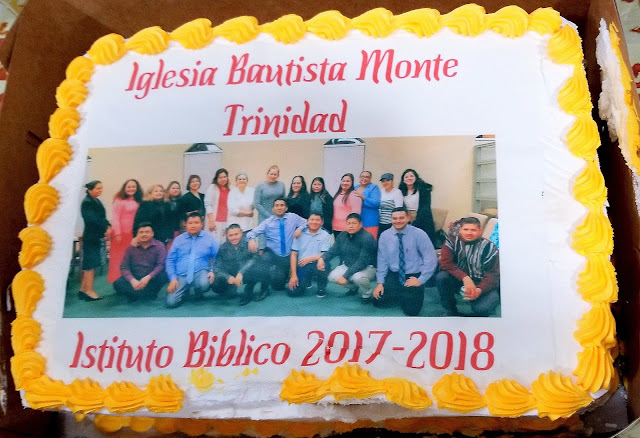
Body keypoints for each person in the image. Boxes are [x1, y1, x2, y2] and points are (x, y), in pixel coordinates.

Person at [373, 207, 438, 316]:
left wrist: (420, 280)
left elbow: (430, 258)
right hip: (394, 273)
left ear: (408, 218)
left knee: (411, 311)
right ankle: (402, 293)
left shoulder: (419, 234)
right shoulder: (385, 236)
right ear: (391, 219)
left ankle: (406, 294)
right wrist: (380, 283)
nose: (398, 221)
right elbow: (382, 260)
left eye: (401, 218)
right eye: (394, 218)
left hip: (413, 274)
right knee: (378, 301)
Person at [436, 217, 500, 317]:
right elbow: (445, 263)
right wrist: (465, 278)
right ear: (460, 230)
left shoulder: (490, 247)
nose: (469, 233)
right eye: (465, 229)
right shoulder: (452, 242)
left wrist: (479, 290)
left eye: (473, 230)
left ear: (480, 231)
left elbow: (493, 274)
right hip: (459, 280)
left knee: (482, 308)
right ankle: (450, 311)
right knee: (442, 277)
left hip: (482, 282)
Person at [246, 198, 307, 301]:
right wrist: (251, 239)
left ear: (286, 208)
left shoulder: (293, 217)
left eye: (282, 205)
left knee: (297, 285)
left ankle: (292, 275)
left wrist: (300, 228)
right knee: (277, 285)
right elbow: (252, 233)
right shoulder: (267, 222)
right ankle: (264, 289)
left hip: (290, 255)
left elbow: (307, 222)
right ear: (273, 209)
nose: (279, 208)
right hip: (274, 255)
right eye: (277, 205)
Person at [165, 212, 219, 308]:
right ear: (186, 224)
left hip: (200, 272)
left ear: (201, 224)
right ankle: (184, 291)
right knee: (171, 303)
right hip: (181, 275)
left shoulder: (210, 239)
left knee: (204, 284)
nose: (193, 225)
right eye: (190, 223)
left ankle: (199, 291)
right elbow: (170, 260)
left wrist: (212, 271)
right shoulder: (178, 240)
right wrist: (173, 278)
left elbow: (218, 257)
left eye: (196, 223)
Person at [318, 213, 376, 300]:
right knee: (332, 277)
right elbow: (333, 250)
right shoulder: (342, 235)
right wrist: (322, 258)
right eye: (348, 223)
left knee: (358, 277)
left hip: (367, 267)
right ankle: (354, 288)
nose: (351, 226)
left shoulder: (367, 238)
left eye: (354, 223)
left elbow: (362, 262)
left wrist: (345, 276)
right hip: (348, 265)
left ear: (360, 224)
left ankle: (366, 294)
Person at [113, 222, 168, 301]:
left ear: (152, 233)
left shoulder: (159, 246)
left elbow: (161, 265)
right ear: (137, 234)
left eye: (147, 232)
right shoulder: (130, 247)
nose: (144, 234)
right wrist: (132, 280)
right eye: (141, 232)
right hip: (135, 277)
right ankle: (142, 292)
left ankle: (137, 293)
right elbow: (124, 267)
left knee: (163, 277)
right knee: (117, 284)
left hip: (152, 278)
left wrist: (148, 277)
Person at [212, 224, 261, 306]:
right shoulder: (222, 248)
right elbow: (217, 267)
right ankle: (232, 288)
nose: (234, 237)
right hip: (231, 275)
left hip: (247, 273)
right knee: (216, 286)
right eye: (231, 235)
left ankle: (249, 288)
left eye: (236, 234)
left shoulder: (249, 244)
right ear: (227, 236)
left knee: (261, 267)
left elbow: (256, 259)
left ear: (241, 233)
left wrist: (241, 272)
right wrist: (228, 277)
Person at [79, 180, 111, 301]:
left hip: (96, 236)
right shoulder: (87, 202)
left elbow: (102, 217)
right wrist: (105, 229)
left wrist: (108, 226)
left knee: (91, 264)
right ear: (90, 190)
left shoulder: (96, 200)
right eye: (98, 188)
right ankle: (89, 291)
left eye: (101, 188)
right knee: (90, 265)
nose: (100, 190)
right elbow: (92, 220)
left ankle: (83, 290)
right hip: (91, 237)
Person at [107, 179, 142, 283]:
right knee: (119, 258)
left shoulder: (138, 200)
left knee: (132, 257)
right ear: (124, 188)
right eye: (129, 187)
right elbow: (115, 218)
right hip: (121, 234)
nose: (131, 189)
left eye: (134, 187)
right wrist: (118, 233)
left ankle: (130, 279)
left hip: (133, 233)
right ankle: (117, 280)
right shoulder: (119, 200)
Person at [288, 213, 331, 297]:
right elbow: (293, 254)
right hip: (302, 265)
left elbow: (325, 253)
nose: (314, 222)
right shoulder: (299, 233)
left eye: (317, 220)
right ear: (307, 221)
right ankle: (307, 280)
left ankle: (321, 287)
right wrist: (293, 275)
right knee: (293, 292)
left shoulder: (325, 235)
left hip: (317, 263)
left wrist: (309, 259)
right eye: (312, 219)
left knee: (325, 265)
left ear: (322, 222)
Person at [399, 169, 436, 244]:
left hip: (422, 216)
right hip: (407, 217)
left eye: (411, 176)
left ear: (416, 177)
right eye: (406, 177)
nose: (409, 178)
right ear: (403, 180)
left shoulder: (424, 189)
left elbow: (425, 207)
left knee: (421, 241)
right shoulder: (400, 191)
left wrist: (416, 221)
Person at [254, 165, 285, 249]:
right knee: (264, 242)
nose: (273, 176)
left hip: (279, 217)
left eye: (275, 174)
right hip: (264, 217)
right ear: (267, 174)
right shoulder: (260, 186)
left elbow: (284, 201)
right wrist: (269, 216)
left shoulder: (281, 185)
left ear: (278, 175)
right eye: (271, 174)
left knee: (277, 241)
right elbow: (256, 203)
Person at [205, 168, 230, 243]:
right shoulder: (212, 187)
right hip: (215, 220)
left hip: (226, 221)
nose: (223, 179)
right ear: (217, 178)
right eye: (220, 177)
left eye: (224, 177)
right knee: (213, 242)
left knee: (224, 242)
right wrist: (211, 220)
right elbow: (208, 204)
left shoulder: (230, 188)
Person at [353, 170, 381, 238]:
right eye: (362, 176)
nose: (364, 178)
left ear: (370, 179)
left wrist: (363, 197)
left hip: (370, 221)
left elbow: (376, 203)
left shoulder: (374, 187)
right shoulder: (355, 187)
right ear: (359, 178)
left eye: (367, 177)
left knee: (369, 241)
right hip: (357, 220)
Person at [378, 173, 404, 239]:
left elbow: (398, 209)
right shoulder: (381, 192)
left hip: (391, 223)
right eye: (383, 181)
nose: (385, 183)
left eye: (388, 180)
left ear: (392, 181)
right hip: (381, 223)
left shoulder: (397, 192)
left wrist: (395, 223)